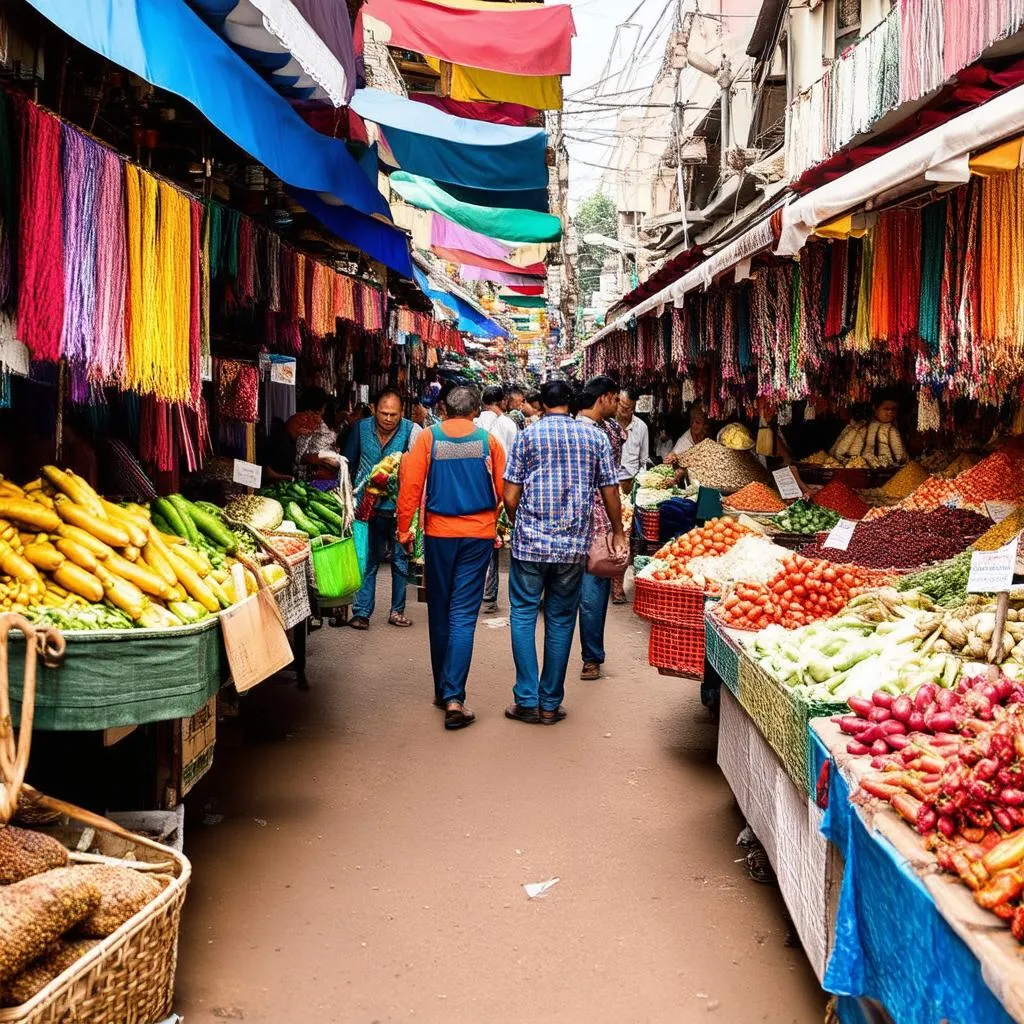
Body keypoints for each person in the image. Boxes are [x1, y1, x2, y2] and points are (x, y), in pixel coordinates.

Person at [502, 379, 627, 726]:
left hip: (530, 544)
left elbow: (510, 495)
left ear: (542, 404)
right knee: (560, 619)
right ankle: (550, 703)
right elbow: (610, 490)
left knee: (524, 615)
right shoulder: (595, 438)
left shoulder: (528, 436)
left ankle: (526, 698)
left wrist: (521, 524)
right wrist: (617, 530)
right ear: (571, 403)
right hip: (572, 546)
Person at [397, 386, 506, 731]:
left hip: (439, 536)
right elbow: (505, 489)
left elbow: (410, 487)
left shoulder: (428, 439)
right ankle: (454, 696)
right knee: (463, 614)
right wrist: (498, 522)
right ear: (475, 411)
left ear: (443, 409)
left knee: (439, 610)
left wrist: (404, 532)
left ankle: (441, 691)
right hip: (478, 536)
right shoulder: (489, 442)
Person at [345, 389, 416, 630]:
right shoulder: (360, 429)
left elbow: (415, 469)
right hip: (367, 507)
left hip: (399, 508)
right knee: (368, 559)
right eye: (384, 413)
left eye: (393, 414)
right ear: (374, 409)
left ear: (401, 413)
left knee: (400, 560)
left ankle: (397, 611)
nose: (388, 419)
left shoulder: (410, 431)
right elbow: (349, 463)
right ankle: (362, 612)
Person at [575, 376, 625, 682]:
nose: (617, 404)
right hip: (598, 523)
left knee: (569, 593)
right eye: (615, 398)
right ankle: (591, 658)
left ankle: (581, 657)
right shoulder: (609, 433)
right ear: (603, 398)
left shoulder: (566, 427)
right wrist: (618, 528)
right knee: (592, 591)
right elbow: (610, 483)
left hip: (566, 523)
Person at [476, 385, 518, 612]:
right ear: (502, 401)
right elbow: (515, 459)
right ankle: (489, 596)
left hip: (474, 489)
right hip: (501, 489)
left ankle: (473, 591)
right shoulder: (509, 425)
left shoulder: (474, 424)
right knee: (494, 540)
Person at [830, 390, 907, 467]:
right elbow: (838, 453)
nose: (890, 413)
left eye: (893, 409)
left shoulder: (894, 430)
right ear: (875, 408)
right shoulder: (860, 428)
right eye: (886, 409)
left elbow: (901, 457)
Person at [616, 387, 650, 494]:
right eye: (622, 406)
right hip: (612, 481)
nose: (624, 411)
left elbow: (643, 460)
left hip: (631, 480)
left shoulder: (642, 427)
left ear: (634, 407)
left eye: (628, 408)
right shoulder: (607, 424)